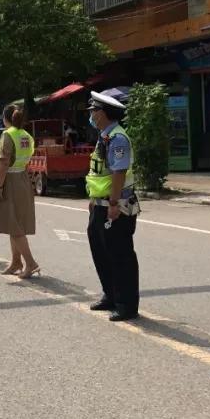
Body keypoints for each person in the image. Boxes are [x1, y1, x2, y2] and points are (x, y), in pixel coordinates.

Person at [86, 91, 141, 322]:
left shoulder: (118, 138)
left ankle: (126, 304)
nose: (91, 115)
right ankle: (110, 295)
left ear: (104, 113)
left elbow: (119, 172)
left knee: (120, 256)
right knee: (100, 250)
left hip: (116, 204)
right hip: (100, 204)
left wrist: (114, 203)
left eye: (93, 111)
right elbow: (99, 172)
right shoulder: (104, 136)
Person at [0, 104, 39, 279]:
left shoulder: (7, 135)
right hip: (23, 179)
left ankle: (30, 263)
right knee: (14, 223)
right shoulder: (26, 135)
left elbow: (3, 163)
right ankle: (16, 262)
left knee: (15, 226)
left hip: (10, 180)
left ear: (5, 118)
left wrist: (0, 186)